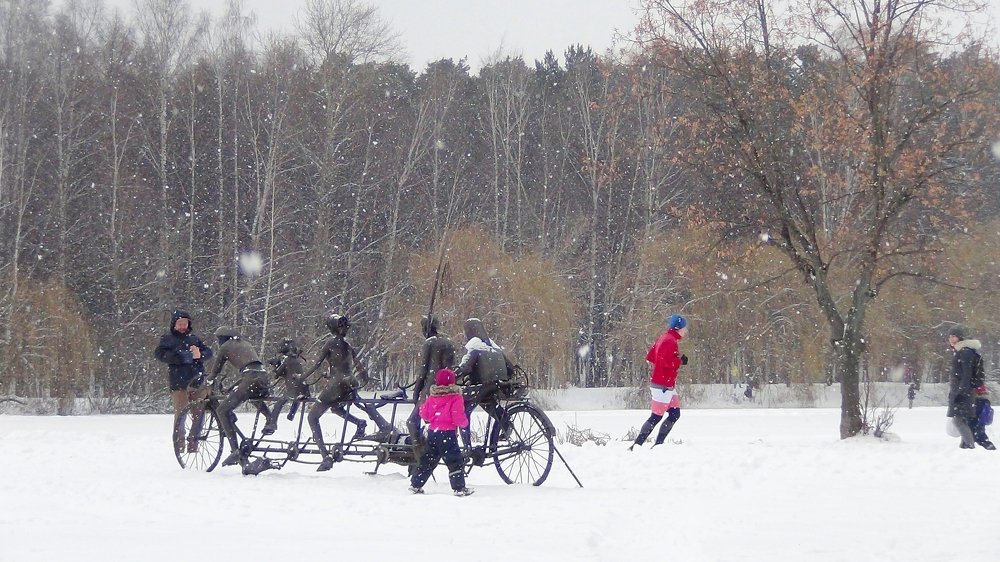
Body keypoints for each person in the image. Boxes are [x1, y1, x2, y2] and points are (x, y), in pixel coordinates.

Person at [303, 313, 394, 472]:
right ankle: (359, 422)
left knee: (312, 417)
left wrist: (300, 377)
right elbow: (360, 368)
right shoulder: (348, 345)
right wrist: (362, 378)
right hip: (350, 383)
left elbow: (316, 365)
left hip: (336, 385)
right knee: (336, 408)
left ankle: (325, 457)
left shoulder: (330, 343)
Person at [211, 326, 274, 469]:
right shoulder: (245, 344)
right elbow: (252, 368)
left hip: (250, 377)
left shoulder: (226, 346)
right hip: (262, 377)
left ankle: (235, 451)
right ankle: (270, 418)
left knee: (222, 410)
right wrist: (233, 386)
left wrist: (208, 380)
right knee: (251, 395)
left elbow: (216, 370)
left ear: (222, 339)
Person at [154, 309, 213, 453]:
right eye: (180, 323)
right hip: (179, 383)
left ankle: (194, 444)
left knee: (199, 414)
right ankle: (179, 446)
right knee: (180, 414)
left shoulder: (194, 339)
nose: (182, 326)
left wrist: (200, 355)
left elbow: (209, 352)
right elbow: (159, 354)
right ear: (174, 325)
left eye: (185, 323)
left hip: (197, 381)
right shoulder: (168, 339)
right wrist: (178, 357)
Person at [408, 368, 474, 497]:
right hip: (448, 434)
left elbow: (424, 413)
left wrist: (434, 418)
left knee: (427, 460)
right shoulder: (455, 397)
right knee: (454, 461)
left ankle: (415, 484)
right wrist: (464, 423)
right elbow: (458, 416)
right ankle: (459, 488)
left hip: (433, 432)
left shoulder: (433, 397)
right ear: (453, 383)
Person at [630, 313, 688, 451]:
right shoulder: (670, 341)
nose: (686, 331)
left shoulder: (664, 338)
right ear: (678, 328)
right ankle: (636, 446)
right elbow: (665, 361)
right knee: (656, 417)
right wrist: (679, 361)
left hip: (666, 384)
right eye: (685, 328)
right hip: (662, 385)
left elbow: (651, 357)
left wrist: (672, 363)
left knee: (674, 413)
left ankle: (658, 445)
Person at [454, 317, 513, 446]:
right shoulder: (495, 348)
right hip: (496, 386)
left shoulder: (474, 348)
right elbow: (511, 368)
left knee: (464, 412)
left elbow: (465, 368)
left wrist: (452, 376)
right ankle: (506, 425)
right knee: (491, 406)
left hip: (481, 387)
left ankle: (467, 447)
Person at [406, 315, 457, 445]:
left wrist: (417, 391)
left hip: (431, 389)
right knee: (439, 422)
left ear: (426, 328)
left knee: (412, 422)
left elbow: (423, 370)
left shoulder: (429, 343)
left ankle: (419, 452)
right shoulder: (448, 342)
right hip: (448, 388)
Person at [264, 338, 310, 430]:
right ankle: (291, 414)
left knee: (279, 403)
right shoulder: (296, 361)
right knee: (296, 395)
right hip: (303, 389)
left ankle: (272, 423)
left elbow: (277, 375)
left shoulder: (287, 360)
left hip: (293, 390)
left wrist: (274, 366)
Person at [947, 324, 980, 449]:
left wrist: (959, 393)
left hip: (963, 393)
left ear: (960, 337)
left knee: (958, 420)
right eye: (950, 336)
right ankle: (965, 446)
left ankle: (970, 446)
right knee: (962, 420)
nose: (951, 338)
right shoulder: (960, 351)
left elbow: (966, 375)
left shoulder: (964, 352)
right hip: (962, 391)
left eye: (954, 336)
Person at [970, 384, 996, 450]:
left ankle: (990, 448)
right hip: (981, 422)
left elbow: (975, 413)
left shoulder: (978, 402)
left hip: (976, 422)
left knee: (978, 437)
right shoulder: (985, 401)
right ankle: (989, 447)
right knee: (980, 436)